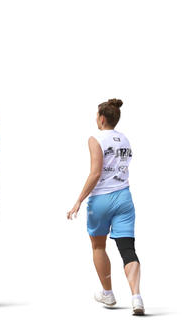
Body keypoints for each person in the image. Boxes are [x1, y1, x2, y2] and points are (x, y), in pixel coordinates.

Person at [67, 99, 144, 316]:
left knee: (98, 247)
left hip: (100, 199)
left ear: (101, 118)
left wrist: (79, 200)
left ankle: (107, 293)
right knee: (128, 249)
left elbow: (95, 173)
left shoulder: (96, 139)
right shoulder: (126, 140)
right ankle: (136, 297)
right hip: (124, 198)